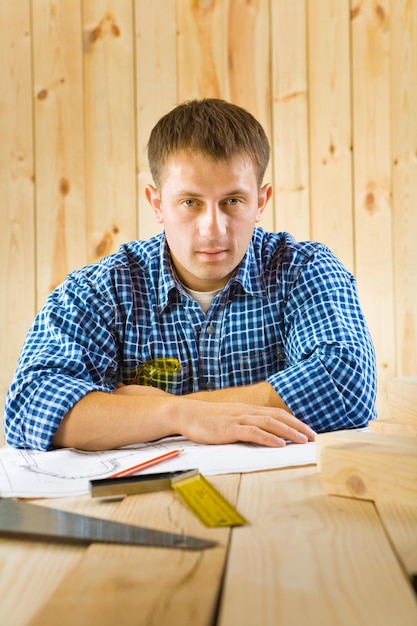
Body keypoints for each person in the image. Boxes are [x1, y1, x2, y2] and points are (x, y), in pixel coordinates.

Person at [4, 98, 376, 452]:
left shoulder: (304, 269)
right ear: (157, 204)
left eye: (232, 201)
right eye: (190, 202)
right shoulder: (100, 290)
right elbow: (29, 405)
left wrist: (144, 411)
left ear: (260, 202)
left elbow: (346, 384)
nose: (212, 229)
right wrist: (178, 414)